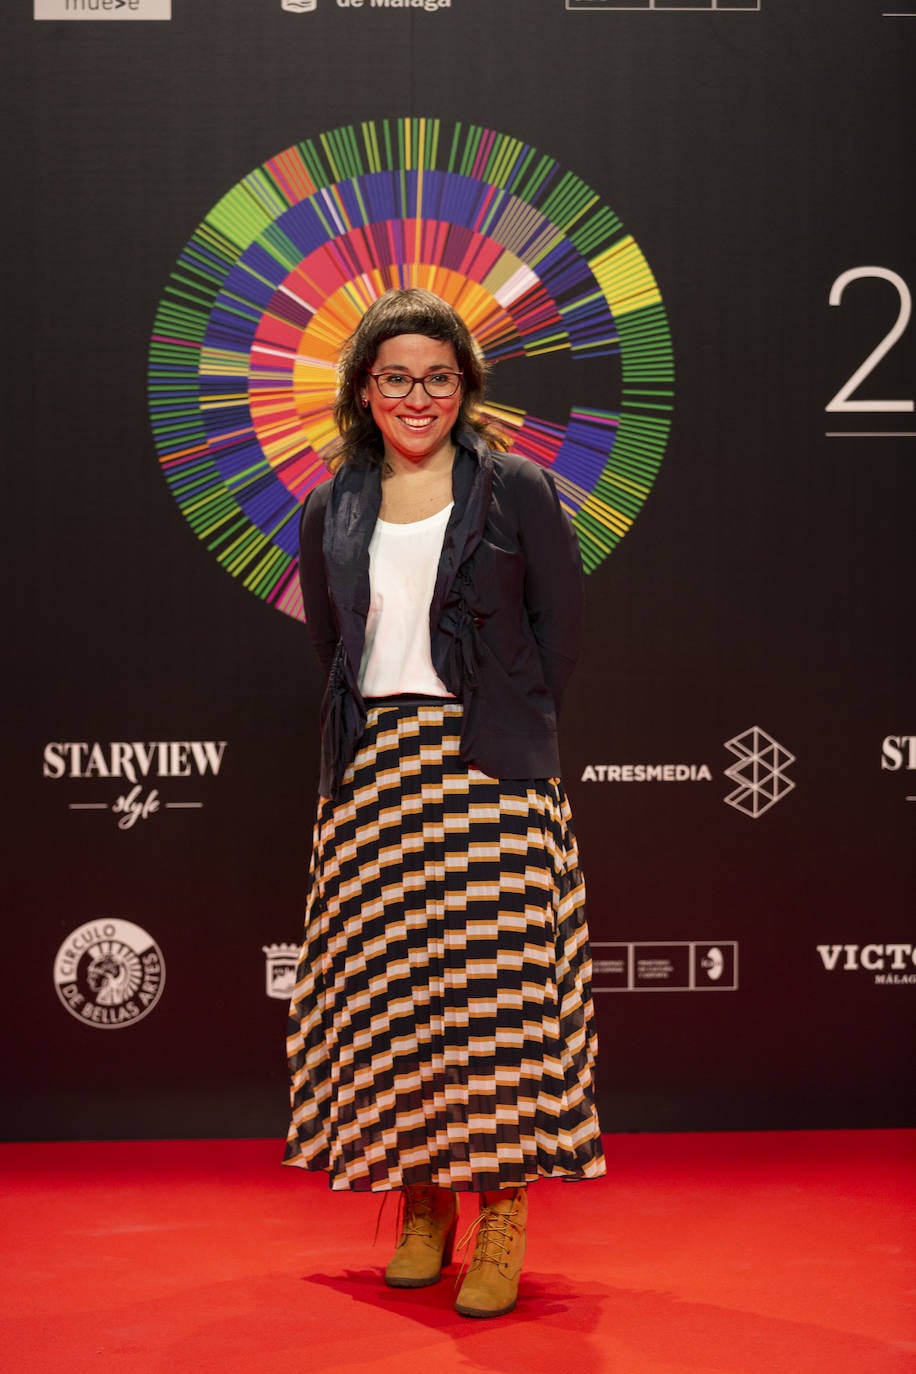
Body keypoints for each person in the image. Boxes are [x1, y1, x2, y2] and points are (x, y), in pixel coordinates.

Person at [284, 287, 605, 1318]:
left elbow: (558, 632)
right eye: (395, 379)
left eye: (436, 377)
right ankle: (423, 1206)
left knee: (496, 1008)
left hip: (489, 771)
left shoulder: (513, 488)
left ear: (464, 387)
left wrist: (507, 726)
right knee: (395, 1004)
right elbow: (331, 646)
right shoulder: (330, 503)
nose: (415, 396)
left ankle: (501, 1211)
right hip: (375, 775)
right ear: (364, 391)